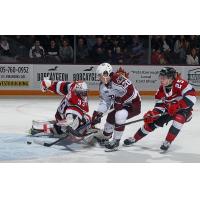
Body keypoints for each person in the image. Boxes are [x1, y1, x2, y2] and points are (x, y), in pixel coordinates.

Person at [123, 67, 197, 151]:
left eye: (163, 78)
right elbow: (159, 106)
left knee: (179, 119)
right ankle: (134, 138)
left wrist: (178, 106)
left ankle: (168, 141)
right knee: (151, 124)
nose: (161, 80)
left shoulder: (181, 83)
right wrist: (152, 114)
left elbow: (192, 97)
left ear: (171, 78)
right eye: (160, 77)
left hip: (184, 109)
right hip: (169, 110)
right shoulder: (161, 89)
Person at [91, 63, 141, 151]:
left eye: (102, 75)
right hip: (120, 104)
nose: (100, 78)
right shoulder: (102, 86)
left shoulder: (118, 78)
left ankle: (116, 141)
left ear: (108, 73)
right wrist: (99, 113)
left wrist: (121, 101)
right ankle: (106, 137)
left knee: (119, 115)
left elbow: (131, 91)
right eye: (100, 76)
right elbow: (105, 102)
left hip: (133, 103)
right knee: (110, 118)